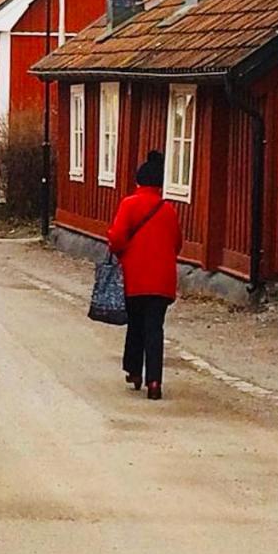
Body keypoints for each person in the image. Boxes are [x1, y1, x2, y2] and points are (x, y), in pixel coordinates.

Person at [107, 150, 182, 400]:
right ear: (160, 184)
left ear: (138, 182)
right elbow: (177, 244)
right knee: (155, 329)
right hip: (161, 281)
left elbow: (116, 237)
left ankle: (134, 371)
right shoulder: (169, 210)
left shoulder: (129, 204)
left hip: (134, 277)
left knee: (136, 324)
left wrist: (120, 253)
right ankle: (154, 382)